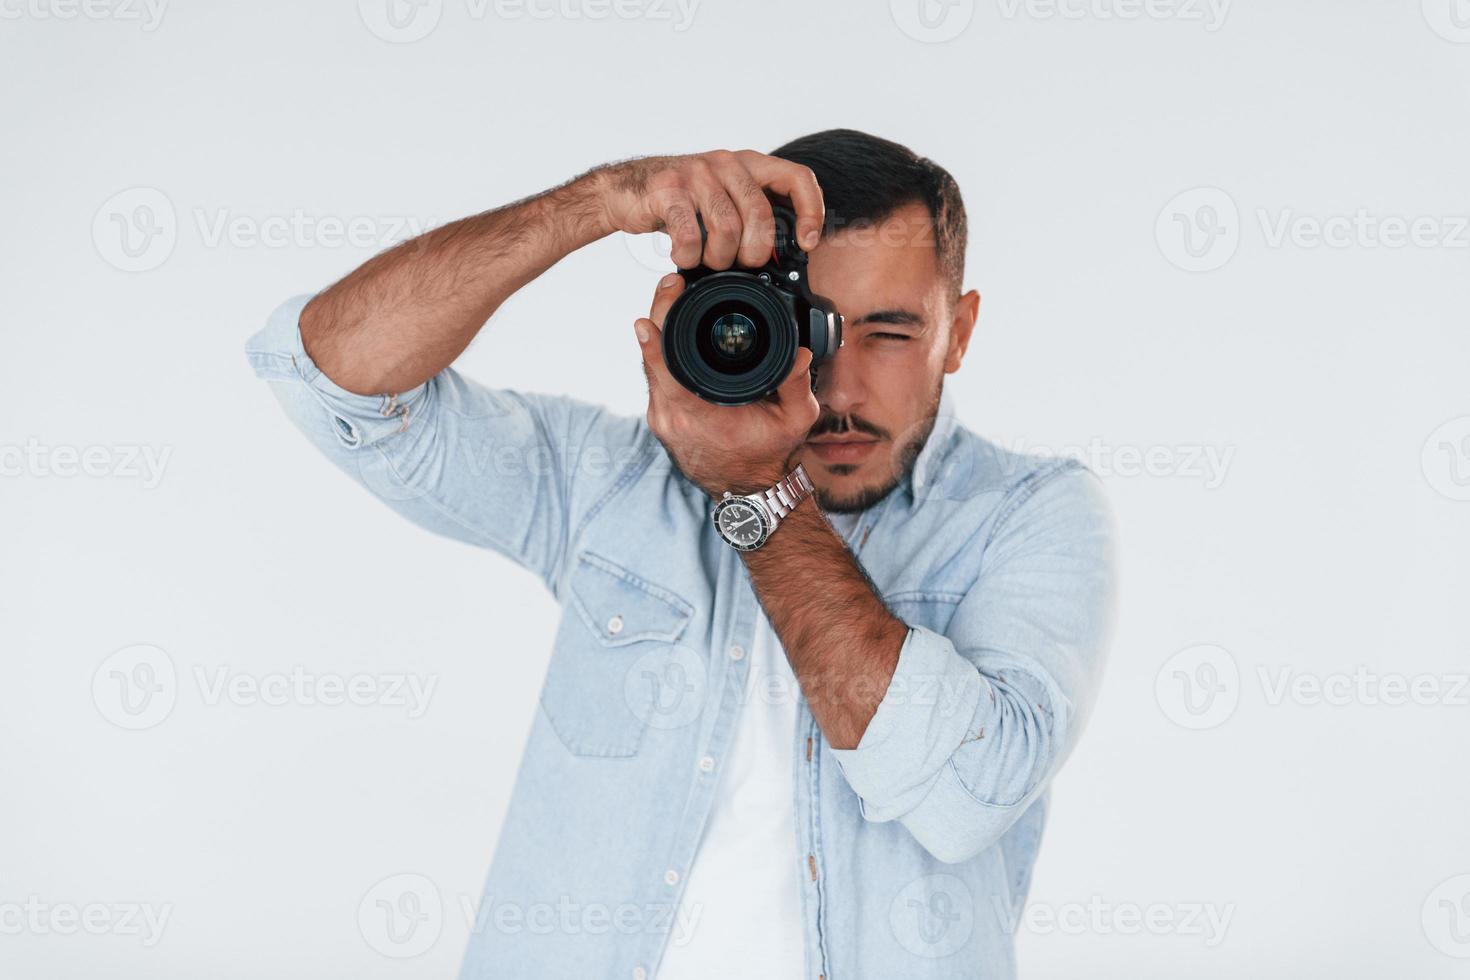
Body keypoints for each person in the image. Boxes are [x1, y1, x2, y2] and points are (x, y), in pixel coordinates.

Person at [245, 128, 1118, 980]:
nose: (840, 389)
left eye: (889, 332)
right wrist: (595, 203)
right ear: (743, 317)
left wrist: (756, 494)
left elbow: (970, 795)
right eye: (810, 327)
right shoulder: (618, 483)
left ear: (958, 332)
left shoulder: (1029, 515)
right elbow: (327, 380)